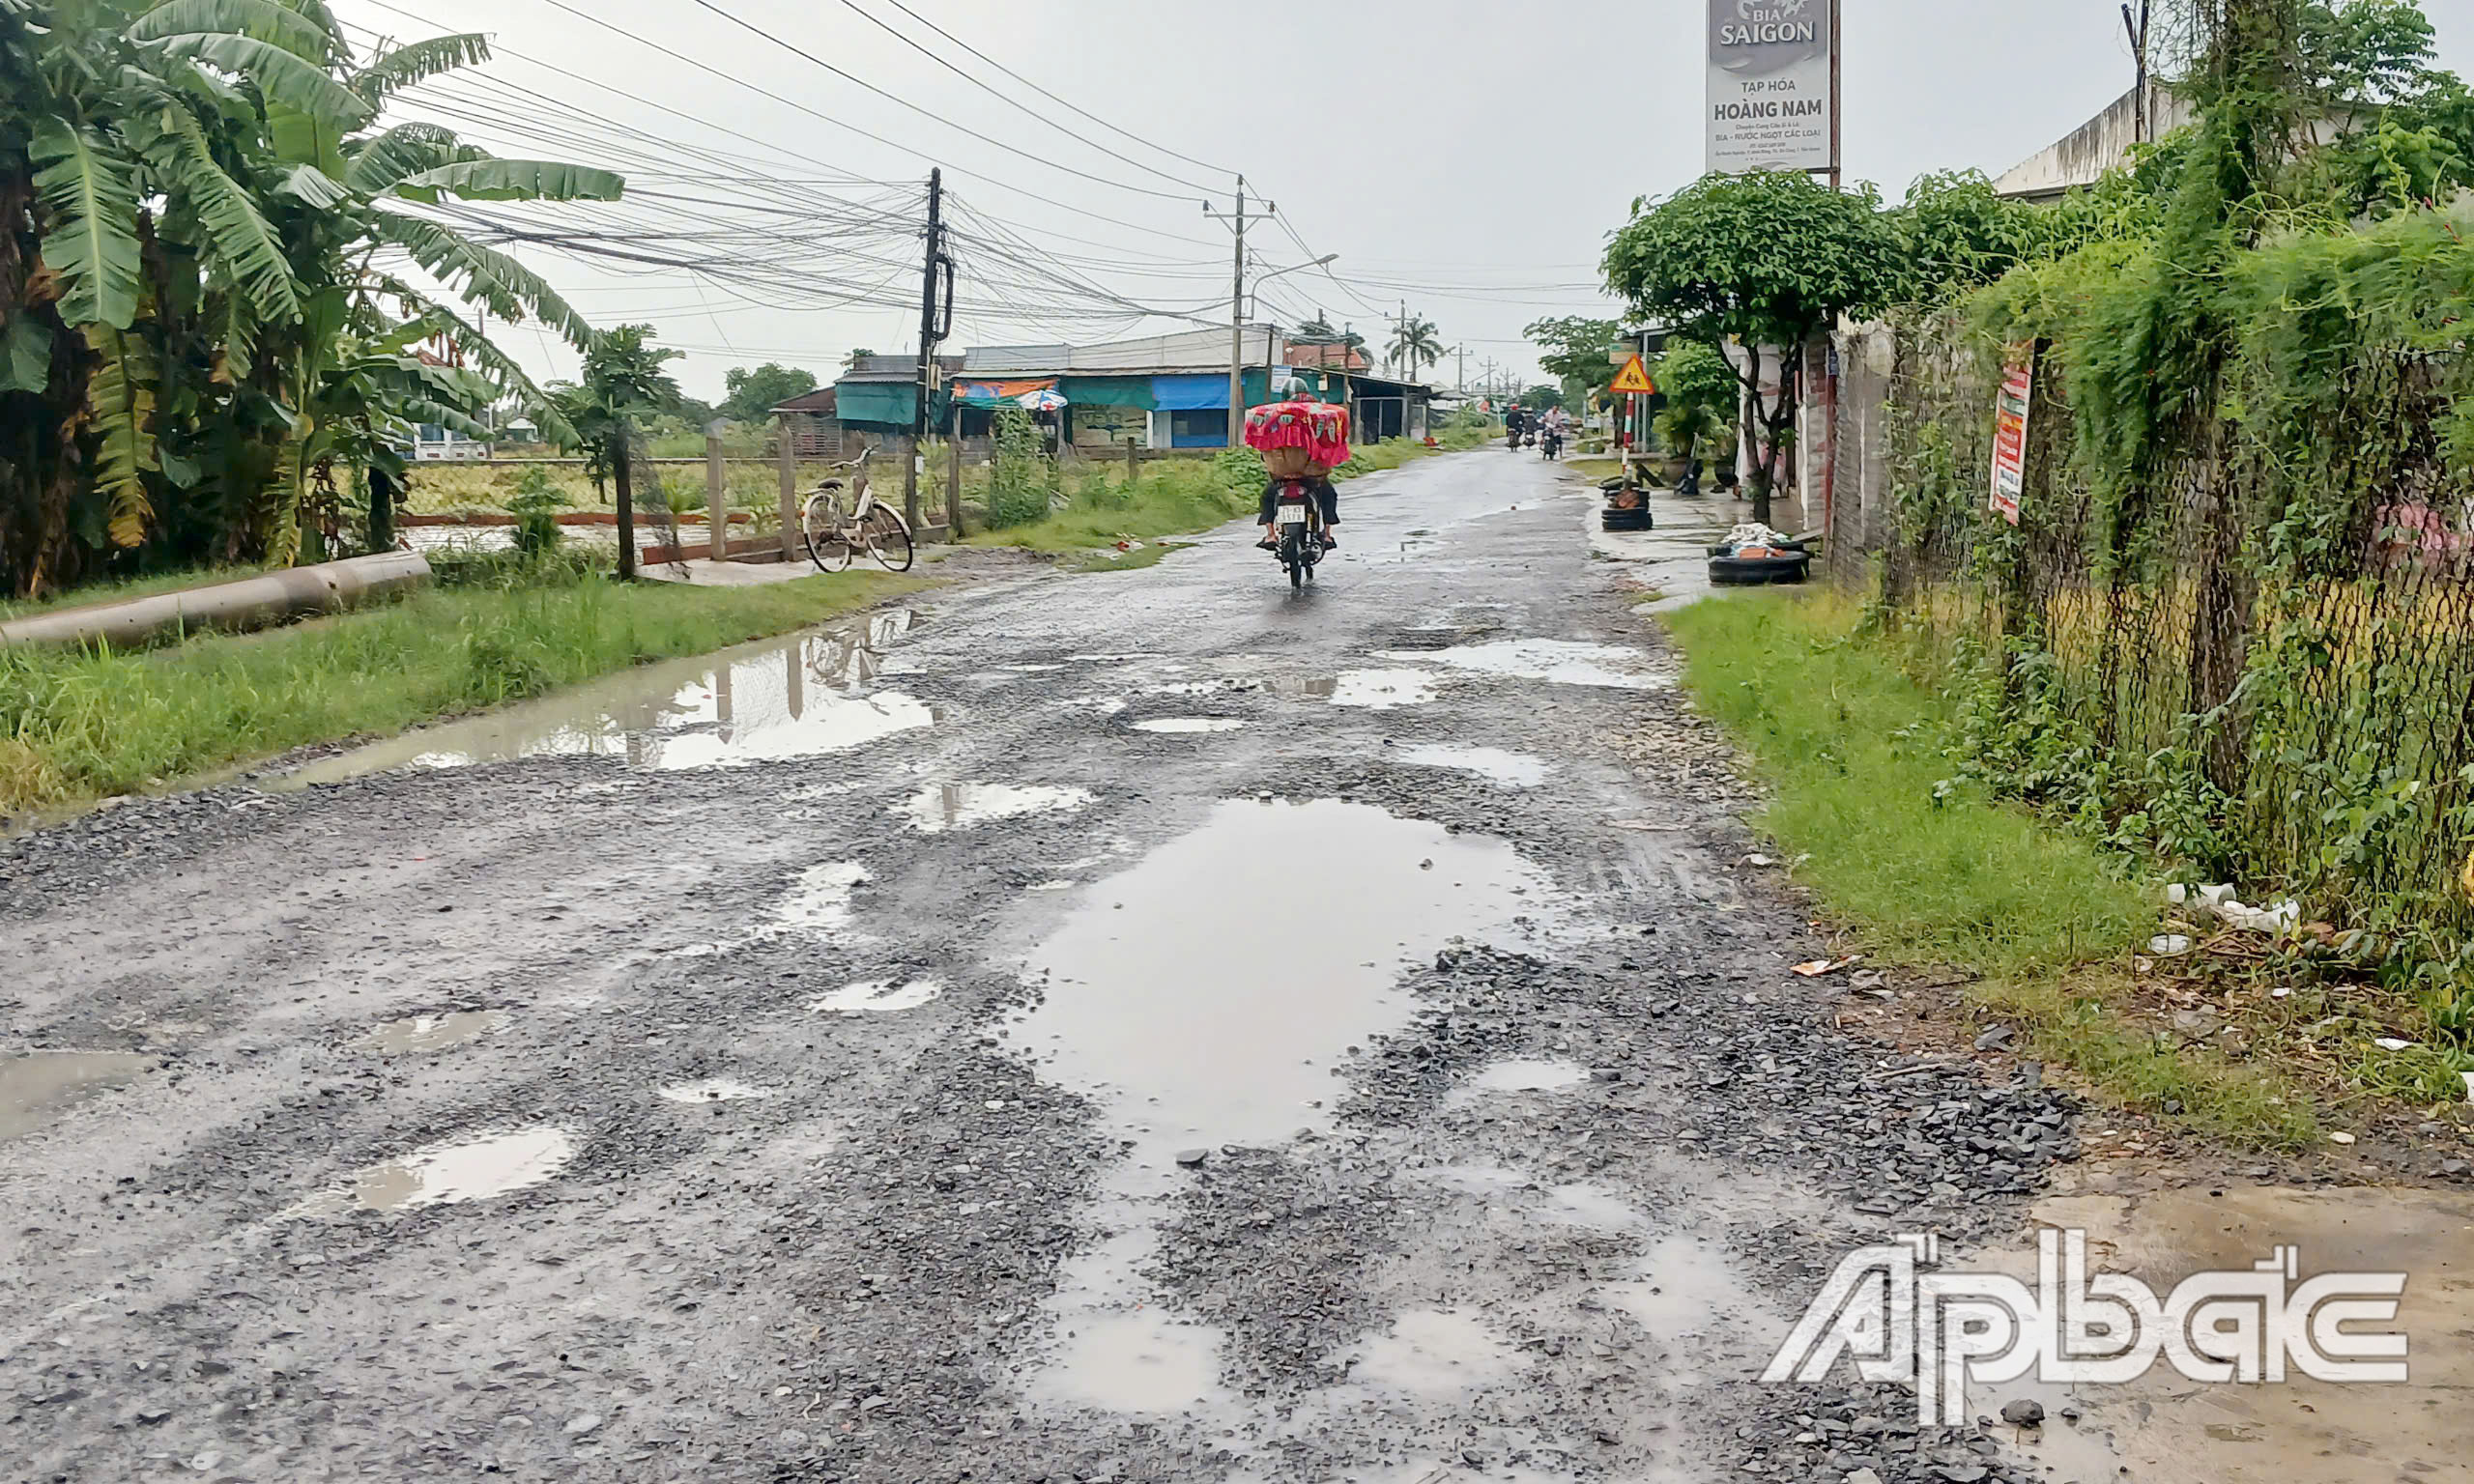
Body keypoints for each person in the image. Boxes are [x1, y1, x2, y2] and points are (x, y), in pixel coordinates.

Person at [1256, 471, 1339, 550]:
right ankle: (1327, 534)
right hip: (1310, 477)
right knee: (1329, 496)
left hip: (1284, 477)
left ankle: (1271, 534)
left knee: (1267, 498)